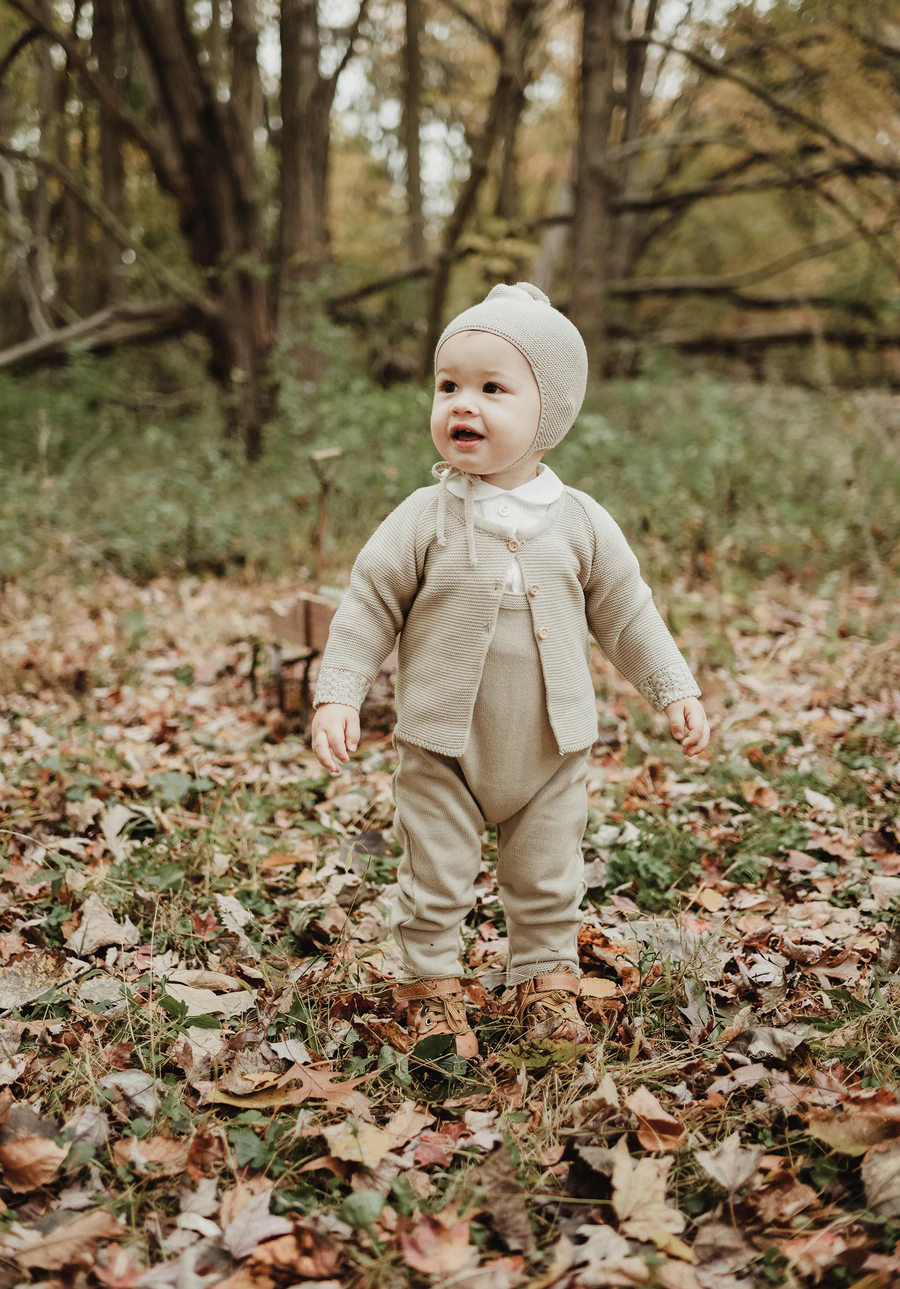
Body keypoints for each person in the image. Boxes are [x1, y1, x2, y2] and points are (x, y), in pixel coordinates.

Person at [309, 282, 710, 1058]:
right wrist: (339, 693)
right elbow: (367, 605)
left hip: (551, 751)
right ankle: (429, 985)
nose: (465, 403)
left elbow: (628, 612)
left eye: (493, 388)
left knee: (547, 874)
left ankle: (544, 977)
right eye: (449, 385)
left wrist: (674, 687)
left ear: (547, 414)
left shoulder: (581, 521)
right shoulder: (423, 517)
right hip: (441, 746)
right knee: (436, 874)